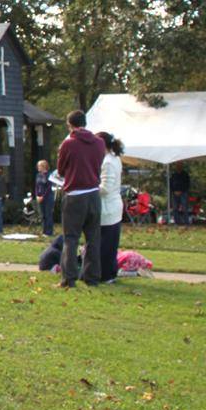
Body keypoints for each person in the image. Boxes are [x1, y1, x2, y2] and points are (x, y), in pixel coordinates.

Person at [54, 109, 107, 288]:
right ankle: (92, 277)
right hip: (93, 193)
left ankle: (69, 279)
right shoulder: (99, 143)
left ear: (70, 125)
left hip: (75, 195)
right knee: (93, 238)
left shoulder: (68, 144)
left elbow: (61, 170)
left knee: (71, 238)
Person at [97, 132, 125, 284]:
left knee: (105, 244)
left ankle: (105, 274)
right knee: (110, 243)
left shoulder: (107, 162)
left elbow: (105, 188)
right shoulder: (115, 159)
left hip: (107, 207)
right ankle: (109, 273)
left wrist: (89, 187)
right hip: (114, 206)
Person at [34, 160, 55, 237]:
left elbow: (48, 187)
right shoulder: (38, 175)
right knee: (42, 215)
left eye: (39, 166)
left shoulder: (49, 175)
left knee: (48, 214)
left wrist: (43, 196)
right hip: (39, 197)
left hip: (48, 197)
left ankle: (49, 232)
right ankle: (44, 231)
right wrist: (37, 195)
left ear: (44, 166)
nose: (38, 167)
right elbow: (36, 186)